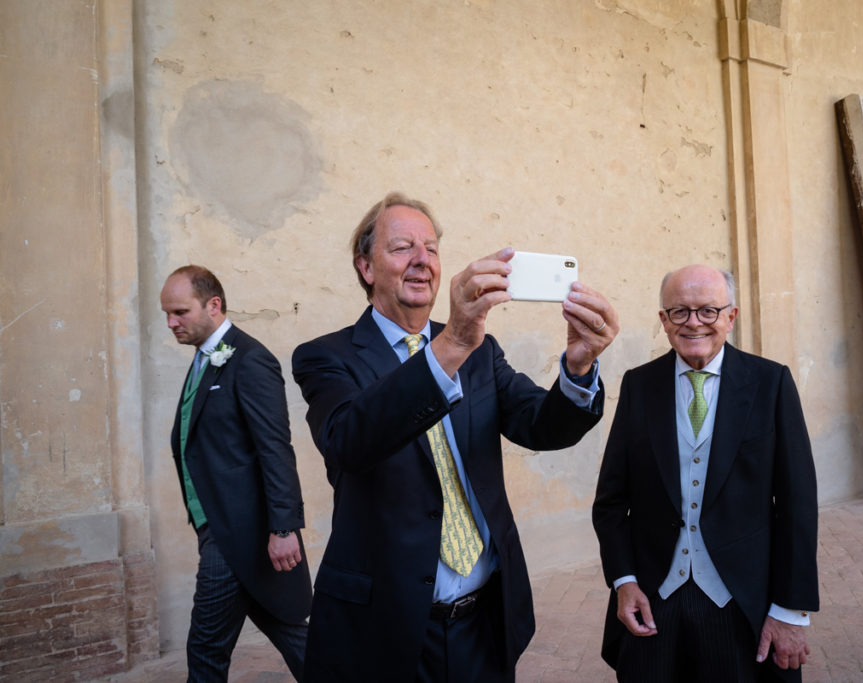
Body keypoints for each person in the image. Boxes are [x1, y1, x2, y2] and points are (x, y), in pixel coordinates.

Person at [292, 192, 619, 682]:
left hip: (484, 622)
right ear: (365, 266)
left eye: (431, 248)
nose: (422, 260)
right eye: (402, 247)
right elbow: (349, 441)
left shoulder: (482, 351)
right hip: (386, 628)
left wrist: (579, 367)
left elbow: (541, 425)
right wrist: (452, 344)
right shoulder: (326, 356)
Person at [592, 264, 819, 682]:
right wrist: (624, 582)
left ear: (730, 317)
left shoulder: (771, 384)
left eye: (708, 311)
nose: (694, 322)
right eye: (679, 311)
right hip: (653, 600)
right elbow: (610, 503)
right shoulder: (639, 387)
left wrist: (790, 611)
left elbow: (797, 506)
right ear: (664, 320)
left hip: (739, 599)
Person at [160, 265, 312, 681]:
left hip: (237, 532)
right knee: (288, 631)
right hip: (220, 526)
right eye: (167, 315)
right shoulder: (204, 358)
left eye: (180, 312)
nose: (171, 323)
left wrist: (284, 528)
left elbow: (274, 447)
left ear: (214, 305)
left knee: (206, 648)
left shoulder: (249, 359)